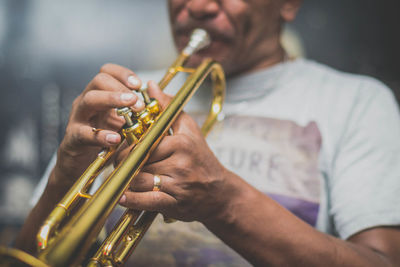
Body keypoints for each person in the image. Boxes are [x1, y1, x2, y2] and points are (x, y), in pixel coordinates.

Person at [16, 0, 400, 266]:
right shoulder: (119, 99)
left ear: (288, 4)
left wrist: (223, 200)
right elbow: (33, 254)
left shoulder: (356, 101)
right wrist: (65, 173)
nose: (197, 6)